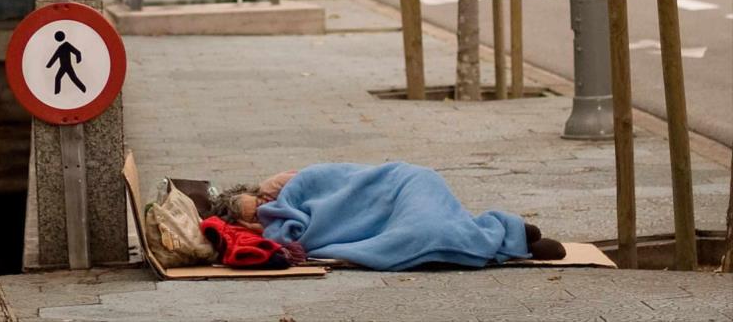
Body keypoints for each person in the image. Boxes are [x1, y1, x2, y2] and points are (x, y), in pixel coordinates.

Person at [210, 163, 566, 271]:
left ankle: (504, 233)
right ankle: (505, 236)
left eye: (258, 200)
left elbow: (345, 181)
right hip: (388, 218)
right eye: (253, 214)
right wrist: (270, 222)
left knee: (425, 214)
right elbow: (296, 235)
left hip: (400, 182)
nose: (264, 206)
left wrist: (281, 189)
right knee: (420, 233)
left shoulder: (291, 183)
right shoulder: (273, 224)